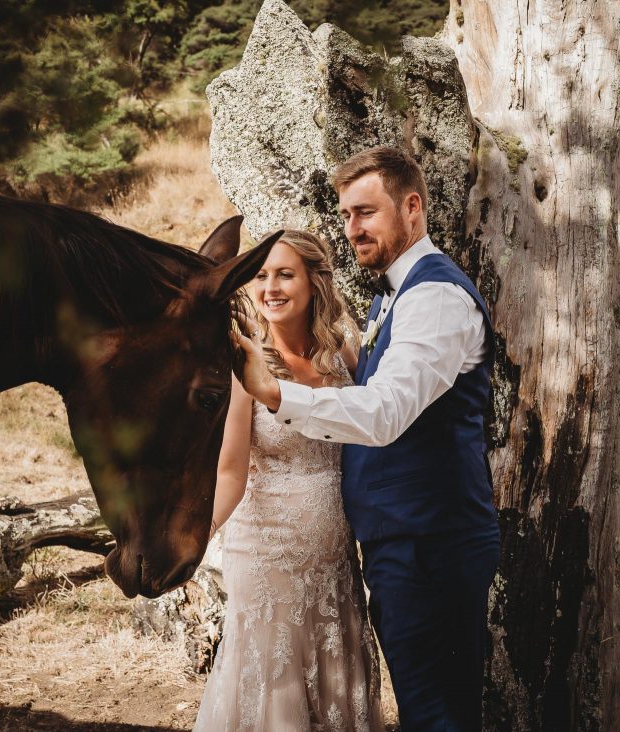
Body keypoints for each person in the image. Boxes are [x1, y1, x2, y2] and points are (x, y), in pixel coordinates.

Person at [234, 146, 501, 731]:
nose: (353, 228)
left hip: (432, 542)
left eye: (366, 212)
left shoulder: (434, 298)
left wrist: (276, 395)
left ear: (412, 208)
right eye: (347, 215)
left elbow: (384, 413)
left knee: (436, 712)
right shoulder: (393, 295)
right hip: (403, 543)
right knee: (428, 705)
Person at [194, 230, 384, 732]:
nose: (271, 287)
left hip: (334, 561)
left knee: (334, 683)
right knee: (276, 689)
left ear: (312, 282)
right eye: (260, 276)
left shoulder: (341, 352)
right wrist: (198, 537)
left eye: (284, 274)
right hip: (265, 558)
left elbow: (376, 421)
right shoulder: (244, 362)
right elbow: (231, 470)